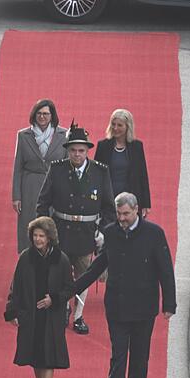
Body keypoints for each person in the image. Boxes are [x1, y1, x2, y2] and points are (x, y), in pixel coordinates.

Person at [73, 192, 176, 378]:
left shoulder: (154, 234)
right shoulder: (111, 233)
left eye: (126, 214)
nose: (122, 218)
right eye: (119, 214)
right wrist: (69, 290)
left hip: (143, 308)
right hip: (117, 307)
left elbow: (165, 270)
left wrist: (169, 303)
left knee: (140, 355)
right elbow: (96, 268)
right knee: (118, 355)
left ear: (136, 210)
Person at [35, 122, 115, 335]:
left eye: (81, 150)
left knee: (84, 276)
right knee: (59, 274)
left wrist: (103, 232)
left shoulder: (100, 172)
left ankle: (78, 315)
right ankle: (62, 309)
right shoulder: (57, 169)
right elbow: (42, 203)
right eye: (73, 150)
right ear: (68, 150)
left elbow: (109, 207)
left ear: (87, 151)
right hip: (61, 231)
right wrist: (44, 232)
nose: (77, 154)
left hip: (87, 233)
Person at [4, 217, 73, 378]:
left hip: (52, 316)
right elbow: (15, 286)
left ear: (50, 237)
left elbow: (69, 288)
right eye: (35, 235)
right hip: (30, 314)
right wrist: (12, 311)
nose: (38, 239)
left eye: (42, 236)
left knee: (48, 357)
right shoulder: (26, 258)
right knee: (34, 356)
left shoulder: (62, 259)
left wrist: (55, 299)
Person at [12, 99, 68, 253]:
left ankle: (53, 254)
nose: (42, 117)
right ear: (34, 115)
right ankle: (28, 256)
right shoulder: (24, 135)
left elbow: (67, 164)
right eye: (39, 113)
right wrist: (16, 196)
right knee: (30, 223)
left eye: (46, 114)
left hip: (55, 186)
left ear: (52, 116)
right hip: (30, 186)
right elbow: (17, 167)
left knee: (52, 222)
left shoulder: (63, 135)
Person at [94, 109, 151, 218]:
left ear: (127, 126)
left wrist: (146, 204)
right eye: (113, 124)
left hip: (131, 198)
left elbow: (142, 174)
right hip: (108, 197)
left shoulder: (137, 146)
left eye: (120, 125)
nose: (115, 128)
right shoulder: (103, 146)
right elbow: (96, 174)